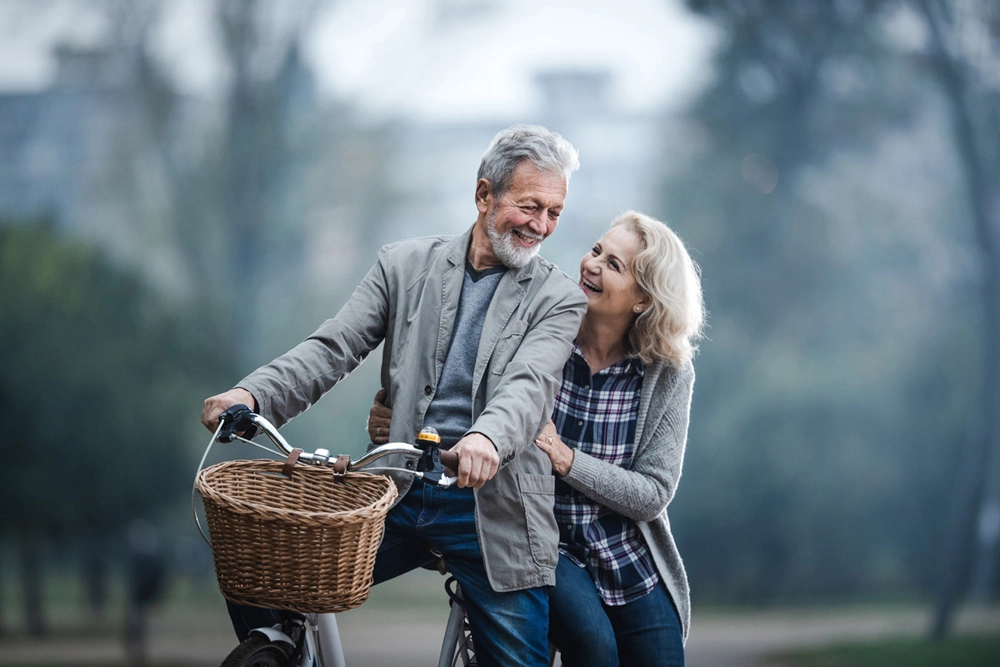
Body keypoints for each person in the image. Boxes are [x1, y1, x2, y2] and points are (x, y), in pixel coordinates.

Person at [201, 124, 588, 667]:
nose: (540, 225)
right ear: (484, 195)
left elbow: (529, 387)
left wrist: (487, 439)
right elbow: (334, 346)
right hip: (397, 490)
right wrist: (252, 393)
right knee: (262, 580)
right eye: (530, 206)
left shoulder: (559, 299)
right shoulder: (403, 265)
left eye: (554, 213)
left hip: (493, 508)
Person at [369, 210, 705, 666]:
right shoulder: (542, 331)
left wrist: (565, 459)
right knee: (595, 650)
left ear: (644, 300)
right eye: (596, 251)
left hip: (626, 555)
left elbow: (653, 494)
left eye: (613, 265)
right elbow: (469, 403)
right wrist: (402, 420)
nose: (591, 265)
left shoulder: (667, 373)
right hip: (542, 539)